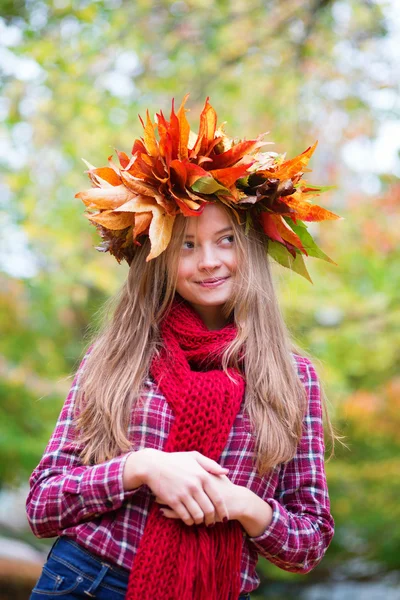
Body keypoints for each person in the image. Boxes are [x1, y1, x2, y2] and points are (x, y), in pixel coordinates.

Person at [26, 95, 338, 600]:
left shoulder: (291, 376)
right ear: (160, 257)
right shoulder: (118, 357)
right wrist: (140, 468)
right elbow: (42, 504)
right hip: (88, 582)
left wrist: (244, 504)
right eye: (187, 244)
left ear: (251, 249)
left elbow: (309, 542)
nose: (209, 260)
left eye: (226, 240)